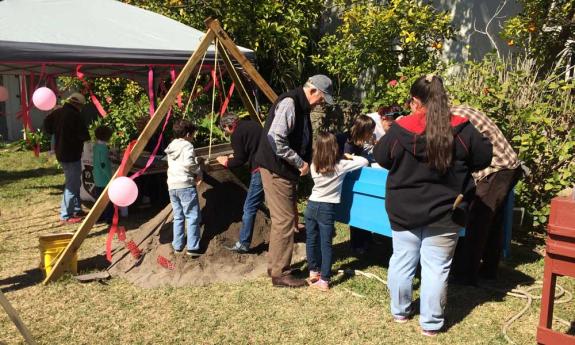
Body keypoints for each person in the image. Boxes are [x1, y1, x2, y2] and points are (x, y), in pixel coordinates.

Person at [374, 75, 492, 336]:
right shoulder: (462, 129)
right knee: (436, 267)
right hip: (446, 210)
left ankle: (400, 311)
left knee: (402, 260)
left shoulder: (400, 128)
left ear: (415, 101)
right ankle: (431, 324)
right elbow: (484, 156)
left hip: (404, 208)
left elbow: (381, 157)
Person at [255, 74, 334, 288]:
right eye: (321, 98)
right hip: (276, 170)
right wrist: (299, 162)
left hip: (280, 170)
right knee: (285, 221)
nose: (321, 103)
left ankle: (276, 267)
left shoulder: (300, 104)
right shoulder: (290, 102)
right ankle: (280, 273)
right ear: (313, 90)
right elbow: (275, 137)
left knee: (284, 219)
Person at [450, 105, 522, 285]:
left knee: (477, 221)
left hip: (496, 169)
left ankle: (465, 275)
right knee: (492, 220)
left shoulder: (454, 119)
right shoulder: (458, 110)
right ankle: (488, 270)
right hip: (509, 167)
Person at [306, 132, 369, 291]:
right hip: (327, 208)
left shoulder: (314, 164)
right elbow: (364, 161)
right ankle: (325, 279)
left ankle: (314, 271)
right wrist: (348, 156)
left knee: (312, 239)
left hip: (312, 205)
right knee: (326, 244)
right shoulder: (340, 166)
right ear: (335, 148)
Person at [216, 112, 264, 253]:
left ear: (228, 125)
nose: (225, 132)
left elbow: (239, 161)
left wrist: (225, 161)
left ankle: (243, 243)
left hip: (259, 170)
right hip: (271, 166)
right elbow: (248, 150)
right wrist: (235, 156)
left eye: (224, 129)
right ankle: (292, 229)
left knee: (249, 207)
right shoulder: (253, 125)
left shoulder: (236, 134)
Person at [43, 92, 90, 224]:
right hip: (71, 154)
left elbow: (47, 125)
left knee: (75, 181)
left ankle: (76, 208)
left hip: (61, 153)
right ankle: (66, 215)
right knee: (72, 184)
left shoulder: (57, 113)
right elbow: (85, 136)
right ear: (78, 105)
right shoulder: (76, 115)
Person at [165, 119, 203, 257]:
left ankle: (178, 245)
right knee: (192, 216)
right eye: (192, 135)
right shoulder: (187, 145)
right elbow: (188, 163)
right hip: (185, 185)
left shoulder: (171, 145)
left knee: (178, 216)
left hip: (172, 185)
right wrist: (198, 171)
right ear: (187, 134)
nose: (193, 138)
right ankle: (192, 248)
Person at [341, 115, 376, 255]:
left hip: (359, 178)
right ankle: (357, 244)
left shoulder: (360, 141)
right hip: (349, 181)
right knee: (356, 212)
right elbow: (347, 162)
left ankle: (367, 240)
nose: (372, 134)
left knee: (365, 209)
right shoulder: (347, 142)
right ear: (364, 130)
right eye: (371, 131)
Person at [92, 125, 114, 223]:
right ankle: (109, 217)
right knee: (107, 200)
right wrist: (110, 178)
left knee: (99, 199)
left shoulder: (96, 146)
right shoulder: (103, 148)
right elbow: (104, 165)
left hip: (97, 176)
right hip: (104, 178)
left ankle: (98, 216)